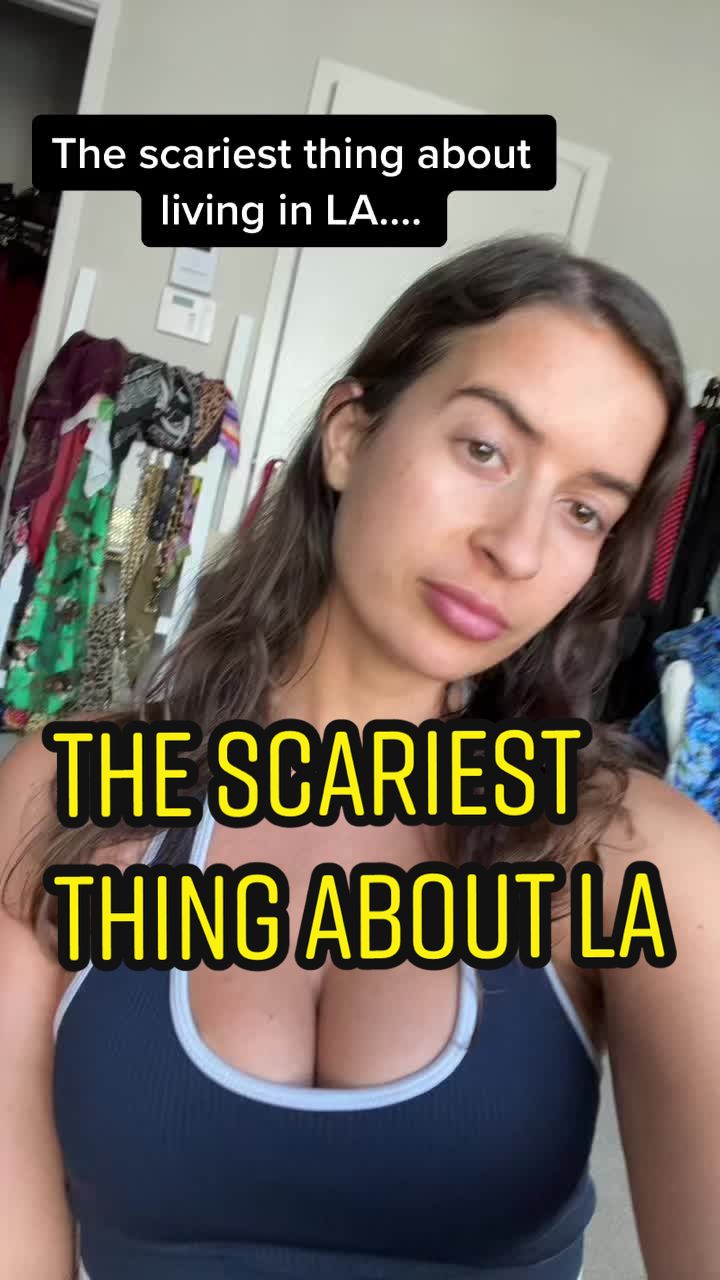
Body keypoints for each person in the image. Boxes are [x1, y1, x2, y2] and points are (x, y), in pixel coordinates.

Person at [1, 234, 719, 1280]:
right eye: (485, 450)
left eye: (583, 511)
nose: (517, 547)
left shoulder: (631, 851)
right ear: (349, 435)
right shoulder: (61, 799)